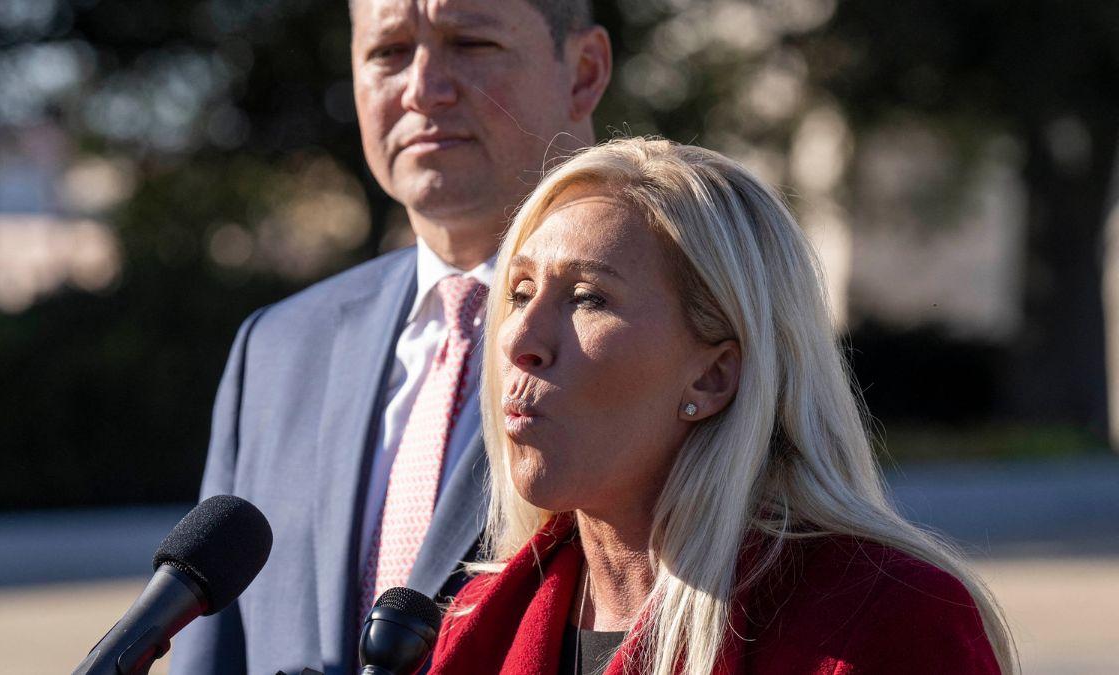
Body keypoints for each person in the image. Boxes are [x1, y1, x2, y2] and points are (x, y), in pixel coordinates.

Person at [429, 138, 1016, 675]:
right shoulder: (473, 623)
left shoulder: (889, 619)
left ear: (713, 377)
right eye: (520, 292)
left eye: (587, 298)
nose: (517, 339)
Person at [168, 1, 611, 674]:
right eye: (388, 51)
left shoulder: (674, 336)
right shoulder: (277, 348)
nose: (422, 86)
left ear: (583, 72)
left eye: (470, 42)